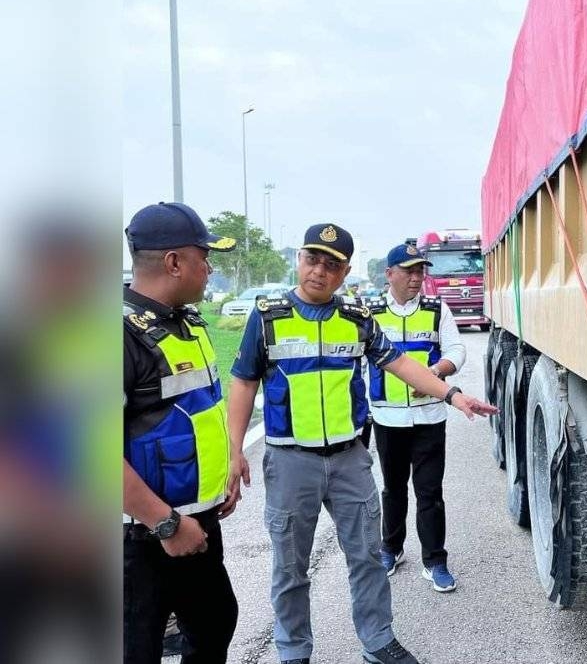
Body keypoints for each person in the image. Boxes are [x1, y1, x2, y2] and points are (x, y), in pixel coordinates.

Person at [226, 224, 496, 664]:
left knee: (368, 558)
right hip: (291, 459)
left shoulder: (356, 319)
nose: (319, 271)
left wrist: (452, 394)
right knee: (290, 568)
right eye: (312, 259)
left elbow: (401, 363)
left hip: (350, 459)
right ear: (299, 259)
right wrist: (234, 451)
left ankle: (377, 641)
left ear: (345, 271)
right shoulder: (268, 316)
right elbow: (242, 382)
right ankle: (293, 651)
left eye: (331, 264)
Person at [123, 202, 240, 664]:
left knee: (215, 623)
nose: (209, 268)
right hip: (144, 536)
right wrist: (166, 524)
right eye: (203, 256)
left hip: (197, 522)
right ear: (173, 262)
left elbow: (202, 413)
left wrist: (223, 476)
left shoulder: (186, 323)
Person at [365, 244, 465, 592]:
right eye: (408, 270)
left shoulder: (437, 309)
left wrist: (436, 372)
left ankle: (435, 560)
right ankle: (391, 549)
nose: (416, 277)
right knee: (393, 489)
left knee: (430, 492)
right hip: (387, 419)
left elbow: (457, 350)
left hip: (430, 418)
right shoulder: (370, 312)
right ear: (389, 273)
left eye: (420, 270)